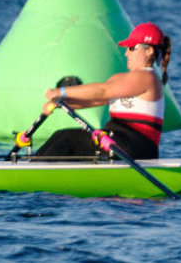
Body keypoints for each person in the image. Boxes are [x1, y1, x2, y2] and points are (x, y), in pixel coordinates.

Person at [31, 22, 171, 160]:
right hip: (119, 140)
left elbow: (102, 91)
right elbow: (96, 99)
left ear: (149, 51)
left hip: (138, 147)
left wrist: (61, 91)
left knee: (68, 139)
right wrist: (61, 103)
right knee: (60, 135)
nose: (126, 53)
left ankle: (33, 173)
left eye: (132, 48)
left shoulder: (148, 77)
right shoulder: (122, 79)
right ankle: (33, 164)